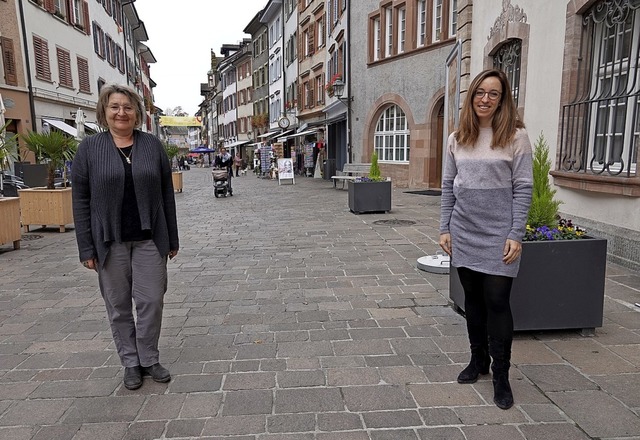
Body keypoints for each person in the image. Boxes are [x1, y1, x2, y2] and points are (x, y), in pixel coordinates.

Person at [71, 84, 179, 391]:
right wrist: (85, 247)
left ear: (137, 113)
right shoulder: (90, 148)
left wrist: (172, 238)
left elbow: (165, 195)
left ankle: (149, 358)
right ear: (105, 112)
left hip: (149, 239)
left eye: (128, 107)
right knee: (117, 304)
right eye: (115, 106)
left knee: (151, 301)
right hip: (109, 242)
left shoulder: (152, 145)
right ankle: (130, 362)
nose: (122, 112)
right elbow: (80, 200)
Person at [439, 69, 533, 410]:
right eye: (480, 92)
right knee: (473, 300)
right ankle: (478, 360)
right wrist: (444, 228)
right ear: (471, 96)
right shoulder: (457, 137)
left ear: (503, 98)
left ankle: (501, 375)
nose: (485, 99)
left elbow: (523, 188)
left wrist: (515, 233)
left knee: (497, 300)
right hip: (463, 230)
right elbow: (448, 186)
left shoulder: (516, 136)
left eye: (494, 93)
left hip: (499, 234)